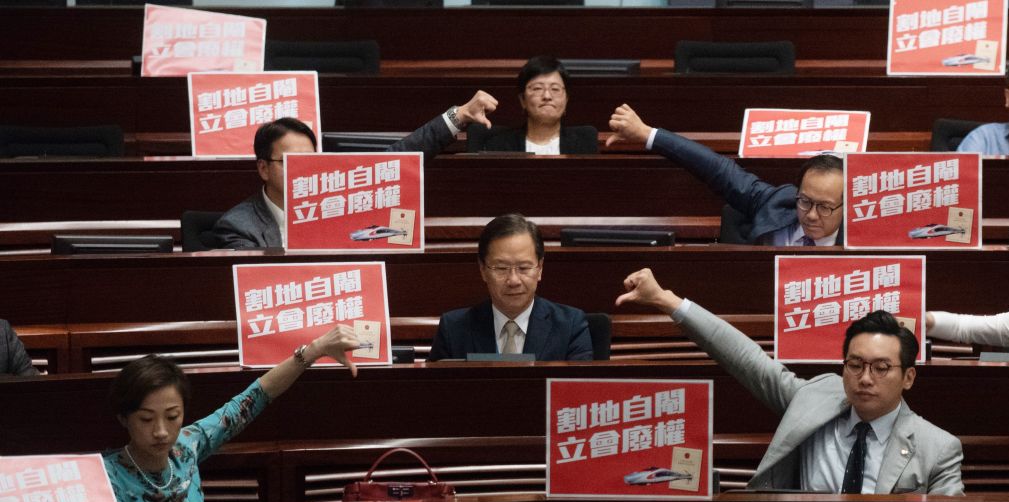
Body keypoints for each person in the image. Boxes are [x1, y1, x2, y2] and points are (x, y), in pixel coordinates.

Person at [615, 268, 964, 495]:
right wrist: (666, 300)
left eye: (881, 368)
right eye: (855, 364)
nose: (865, 378)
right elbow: (747, 360)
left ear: (908, 377)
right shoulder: (815, 398)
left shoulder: (938, 448)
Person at [103, 325, 360, 502]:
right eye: (146, 419)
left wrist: (313, 351)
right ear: (123, 418)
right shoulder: (106, 476)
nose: (161, 431)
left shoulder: (188, 445)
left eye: (172, 416)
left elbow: (251, 400)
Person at [211, 90, 500, 250]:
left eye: (310, 162)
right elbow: (260, 284)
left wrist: (458, 116)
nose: (304, 172)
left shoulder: (337, 197)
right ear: (263, 168)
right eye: (291, 163)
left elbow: (395, 160)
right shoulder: (238, 227)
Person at [607, 104, 843, 245]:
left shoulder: (861, 237)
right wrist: (647, 134)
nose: (811, 215)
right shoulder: (778, 203)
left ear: (848, 206)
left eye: (824, 207)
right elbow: (718, 169)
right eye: (805, 201)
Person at [428, 213, 592, 361]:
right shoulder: (454, 329)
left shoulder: (570, 326)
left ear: (540, 268)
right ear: (483, 270)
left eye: (524, 268)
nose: (513, 280)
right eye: (501, 268)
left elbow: (579, 391)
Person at [470, 56, 597, 155]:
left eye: (555, 89)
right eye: (537, 88)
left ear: (566, 99)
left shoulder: (584, 143)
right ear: (522, 100)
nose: (547, 96)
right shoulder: (499, 145)